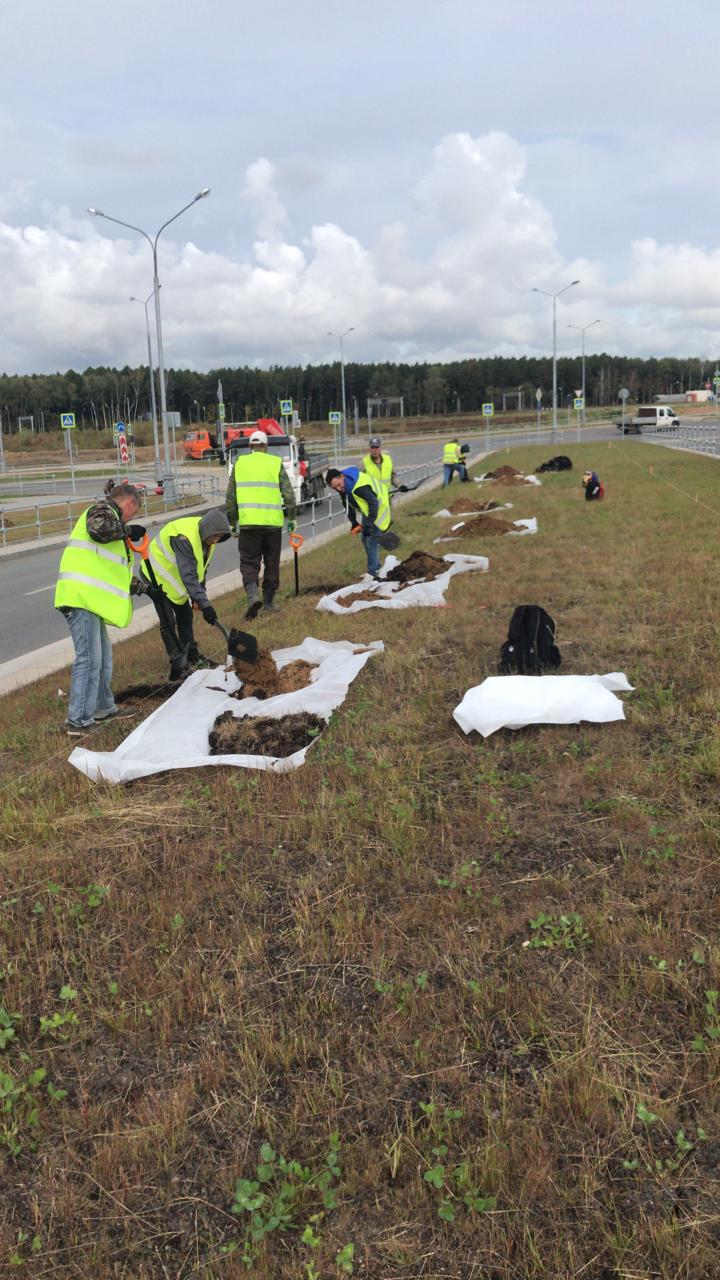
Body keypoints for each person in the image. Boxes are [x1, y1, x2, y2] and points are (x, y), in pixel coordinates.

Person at [54, 482, 145, 736]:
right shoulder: (102, 512)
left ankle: (103, 708)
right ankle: (78, 721)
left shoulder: (113, 521)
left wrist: (143, 588)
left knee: (103, 657)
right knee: (89, 659)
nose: (132, 518)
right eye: (134, 513)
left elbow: (111, 570)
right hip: (79, 599)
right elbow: (99, 529)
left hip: (90, 602)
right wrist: (129, 530)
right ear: (129, 504)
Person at [140, 509, 232, 679]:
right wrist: (206, 606)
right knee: (168, 620)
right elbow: (188, 575)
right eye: (215, 536)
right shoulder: (183, 538)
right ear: (208, 530)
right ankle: (178, 661)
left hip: (174, 580)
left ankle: (192, 655)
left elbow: (201, 569)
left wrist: (200, 593)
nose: (216, 540)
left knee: (185, 616)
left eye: (220, 537)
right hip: (155, 574)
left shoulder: (207, 540)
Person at [225, 429, 297, 619]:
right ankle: (269, 603)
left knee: (249, 562)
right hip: (272, 525)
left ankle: (252, 596)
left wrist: (233, 522)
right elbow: (289, 494)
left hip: (248, 524)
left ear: (250, 446)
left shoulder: (240, 464)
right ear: (266, 446)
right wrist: (292, 518)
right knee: (272, 562)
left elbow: (230, 497)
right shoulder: (275, 463)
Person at [325, 466, 390, 579]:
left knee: (372, 540)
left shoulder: (359, 487)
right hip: (368, 510)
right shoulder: (344, 485)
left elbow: (374, 504)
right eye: (335, 488)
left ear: (342, 476)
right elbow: (347, 504)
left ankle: (373, 572)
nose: (339, 489)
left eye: (339, 485)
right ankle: (376, 567)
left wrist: (369, 524)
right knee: (365, 538)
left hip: (379, 508)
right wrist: (354, 522)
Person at [362, 435, 398, 509]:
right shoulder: (363, 463)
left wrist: (400, 485)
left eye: (377, 447)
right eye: (372, 448)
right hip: (373, 501)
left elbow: (393, 476)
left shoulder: (388, 459)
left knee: (390, 516)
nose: (375, 450)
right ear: (369, 448)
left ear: (380, 448)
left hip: (387, 498)